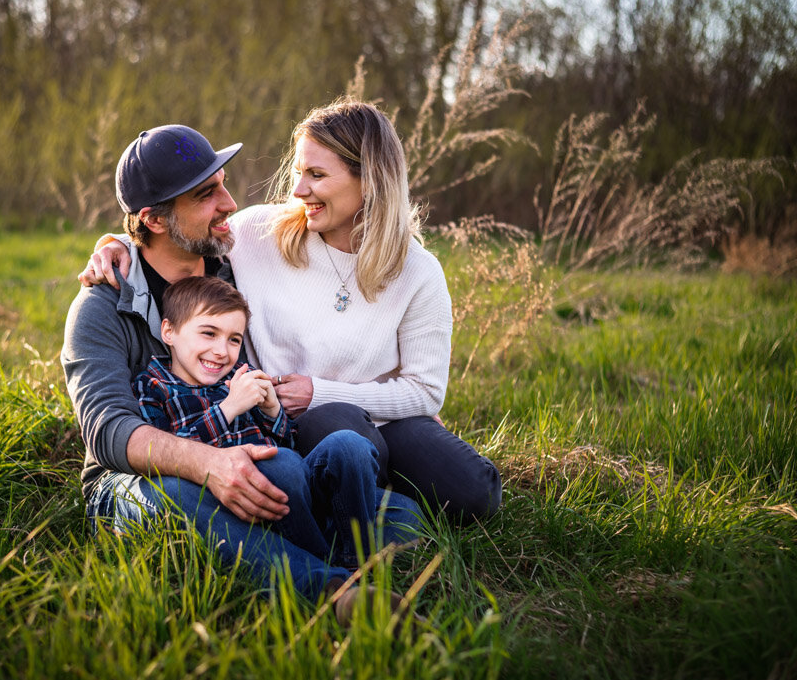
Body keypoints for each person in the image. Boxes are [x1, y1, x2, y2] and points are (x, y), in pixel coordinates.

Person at [61, 123, 419, 623]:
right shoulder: (100, 307)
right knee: (180, 499)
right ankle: (338, 595)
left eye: (224, 183)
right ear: (155, 219)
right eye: (207, 194)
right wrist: (208, 463)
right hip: (135, 480)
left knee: (404, 516)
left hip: (248, 453)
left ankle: (277, 542)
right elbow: (107, 432)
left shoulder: (230, 267)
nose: (229, 203)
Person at [83, 99, 502, 523]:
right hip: (310, 427)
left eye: (317, 175)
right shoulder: (259, 234)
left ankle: (380, 497)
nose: (299, 190)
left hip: (385, 418)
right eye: (299, 171)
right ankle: (364, 521)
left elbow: (427, 391)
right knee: (344, 433)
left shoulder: (418, 271)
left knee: (474, 493)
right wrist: (115, 243)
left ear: (370, 180)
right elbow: (175, 231)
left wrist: (321, 392)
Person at [134, 275, 420, 568]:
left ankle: (352, 552)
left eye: (234, 339)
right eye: (208, 333)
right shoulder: (155, 385)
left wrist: (273, 413)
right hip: (247, 502)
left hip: (300, 491)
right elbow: (166, 455)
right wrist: (228, 409)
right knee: (280, 465)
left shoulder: (240, 377)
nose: (222, 351)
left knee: (354, 450)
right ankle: (326, 562)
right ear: (168, 331)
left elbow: (292, 443)